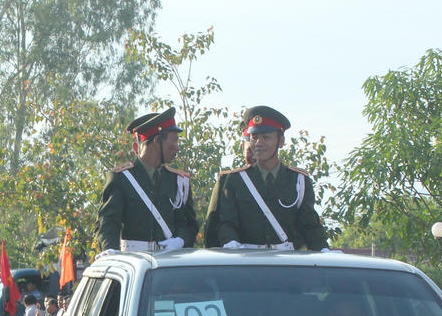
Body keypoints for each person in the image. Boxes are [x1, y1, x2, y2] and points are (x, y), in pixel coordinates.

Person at [205, 106, 327, 251]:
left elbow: (310, 225)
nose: (258, 143)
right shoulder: (236, 180)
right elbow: (226, 223)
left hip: (287, 259)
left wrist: (323, 249)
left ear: (281, 141)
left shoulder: (299, 181)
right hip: (247, 258)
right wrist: (230, 242)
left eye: (266, 137)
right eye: (254, 137)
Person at [96, 107, 197, 254]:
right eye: (174, 140)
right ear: (157, 140)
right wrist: (110, 251)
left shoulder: (177, 181)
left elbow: (188, 225)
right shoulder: (122, 179)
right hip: (134, 261)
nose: (177, 148)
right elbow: (108, 223)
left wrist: (180, 240)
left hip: (169, 261)